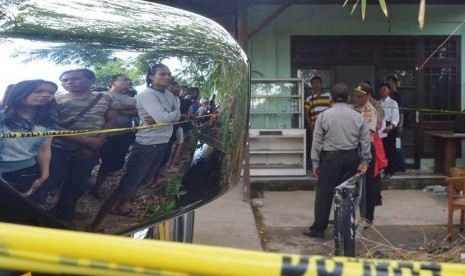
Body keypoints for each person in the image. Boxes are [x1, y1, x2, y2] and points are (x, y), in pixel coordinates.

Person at [87, 64, 181, 232]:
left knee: (145, 179)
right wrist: (170, 115)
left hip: (162, 142)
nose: (167, 77)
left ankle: (122, 206)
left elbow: (171, 116)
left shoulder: (171, 96)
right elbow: (163, 118)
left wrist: (169, 116)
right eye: (163, 74)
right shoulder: (147, 94)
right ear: (152, 77)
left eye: (169, 74)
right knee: (127, 184)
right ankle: (96, 223)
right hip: (147, 144)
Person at [33, 68, 118, 222]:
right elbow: (52, 126)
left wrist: (98, 141)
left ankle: (62, 215)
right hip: (58, 150)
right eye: (65, 80)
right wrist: (88, 141)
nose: (69, 82)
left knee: (77, 183)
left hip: (90, 150)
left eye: (74, 78)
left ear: (90, 80)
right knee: (48, 181)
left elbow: (111, 120)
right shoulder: (55, 100)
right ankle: (32, 216)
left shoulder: (105, 98)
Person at [302, 82, 371, 238]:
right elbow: (365, 140)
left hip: (330, 159)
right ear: (348, 98)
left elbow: (317, 141)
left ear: (331, 98)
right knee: (347, 194)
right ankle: (344, 229)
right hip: (351, 158)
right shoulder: (357, 116)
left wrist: (315, 163)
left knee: (324, 195)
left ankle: (318, 229)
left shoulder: (324, 116)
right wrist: (364, 161)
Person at [0, 80, 58, 197]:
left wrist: (44, 174)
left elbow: (44, 148)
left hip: (24, 172)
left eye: (51, 92)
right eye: (38, 91)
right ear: (20, 92)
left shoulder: (48, 122)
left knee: (12, 207)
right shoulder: (2, 116)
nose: (46, 95)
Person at [90, 74, 138, 199]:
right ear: (112, 82)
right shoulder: (99, 95)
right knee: (88, 160)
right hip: (97, 134)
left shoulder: (132, 100)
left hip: (120, 135)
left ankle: (97, 187)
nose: (129, 81)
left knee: (112, 163)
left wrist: (113, 108)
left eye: (129, 79)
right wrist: (121, 108)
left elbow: (137, 111)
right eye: (125, 79)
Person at [353, 82, 378, 224]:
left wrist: (364, 157)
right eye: (355, 95)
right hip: (356, 148)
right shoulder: (356, 108)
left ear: (368, 96)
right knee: (357, 184)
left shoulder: (369, 111)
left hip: (366, 149)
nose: (356, 98)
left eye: (360, 96)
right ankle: (358, 214)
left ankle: (368, 217)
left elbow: (368, 135)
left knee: (367, 184)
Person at [304, 76, 332, 169]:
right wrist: (311, 127)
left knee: (328, 147)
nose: (316, 85)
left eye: (317, 83)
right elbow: (307, 114)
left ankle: (327, 167)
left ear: (321, 84)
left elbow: (333, 110)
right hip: (316, 126)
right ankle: (316, 169)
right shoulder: (309, 98)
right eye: (313, 83)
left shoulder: (328, 96)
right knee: (316, 148)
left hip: (329, 127)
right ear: (311, 85)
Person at [378, 82, 399, 179]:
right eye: (381, 90)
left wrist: (390, 126)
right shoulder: (377, 103)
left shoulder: (393, 102)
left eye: (384, 89)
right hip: (379, 127)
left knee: (390, 150)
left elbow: (396, 118)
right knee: (380, 150)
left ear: (389, 91)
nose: (382, 92)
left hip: (389, 127)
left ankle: (389, 171)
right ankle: (380, 170)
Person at [386, 75, 406, 175]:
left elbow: (401, 111)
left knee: (398, 146)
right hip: (389, 125)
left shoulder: (399, 95)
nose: (388, 84)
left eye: (389, 82)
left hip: (397, 124)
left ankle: (400, 168)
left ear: (394, 83)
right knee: (391, 148)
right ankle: (392, 168)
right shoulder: (388, 96)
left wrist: (400, 124)